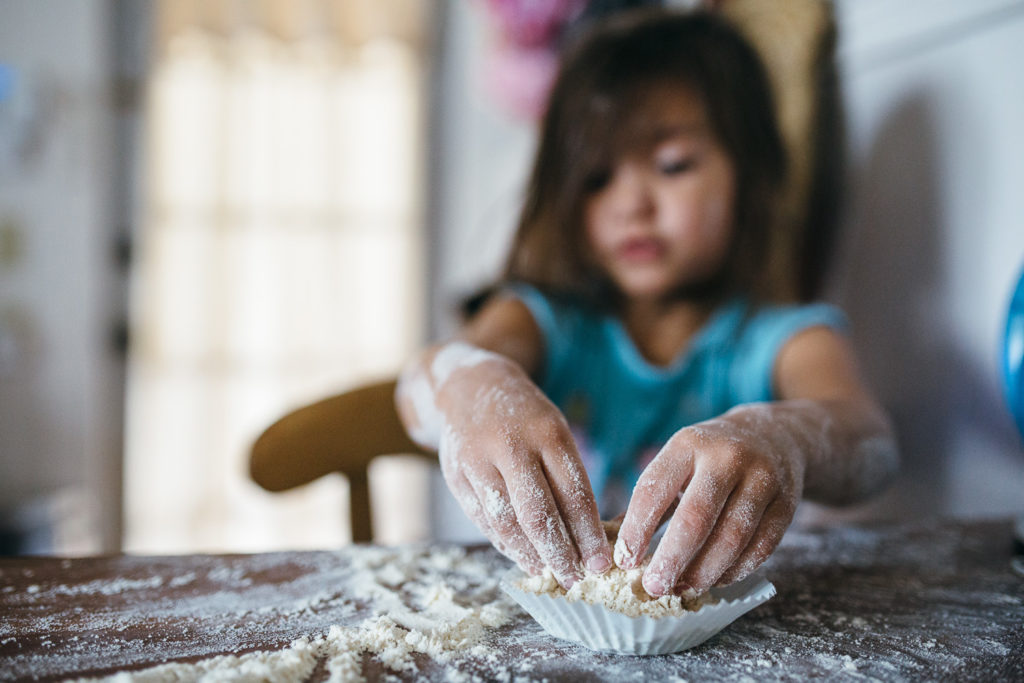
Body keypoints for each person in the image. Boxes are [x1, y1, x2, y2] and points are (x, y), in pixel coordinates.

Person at [395, 8, 897, 599]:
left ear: (750, 175)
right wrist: (473, 387)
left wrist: (789, 438)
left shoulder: (783, 338)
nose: (631, 203)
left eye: (671, 165)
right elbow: (420, 385)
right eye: (597, 177)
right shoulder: (547, 320)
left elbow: (870, 444)